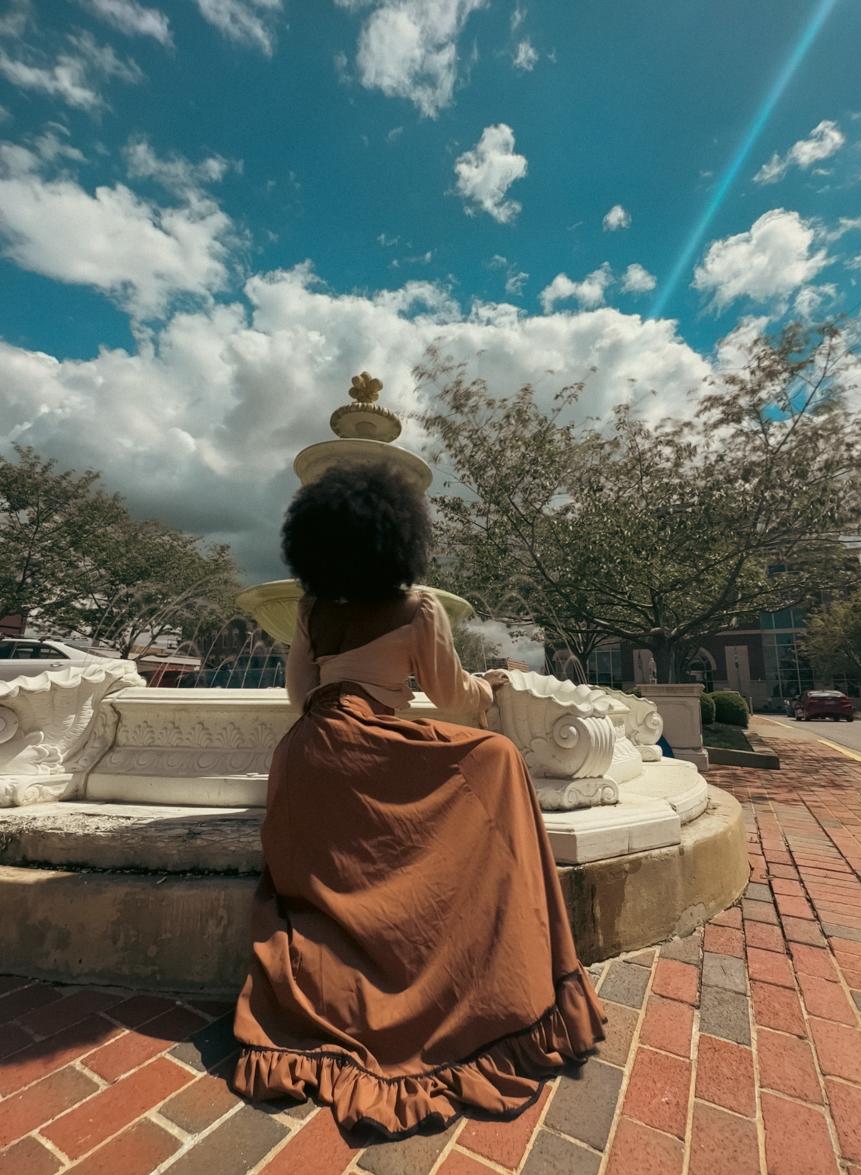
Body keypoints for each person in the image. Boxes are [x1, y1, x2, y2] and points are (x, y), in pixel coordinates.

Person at [232, 461, 606, 1138]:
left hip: (311, 754)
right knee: (496, 759)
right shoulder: (419, 606)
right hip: (373, 739)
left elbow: (298, 697)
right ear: (399, 538)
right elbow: (453, 698)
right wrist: (490, 686)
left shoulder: (312, 610)